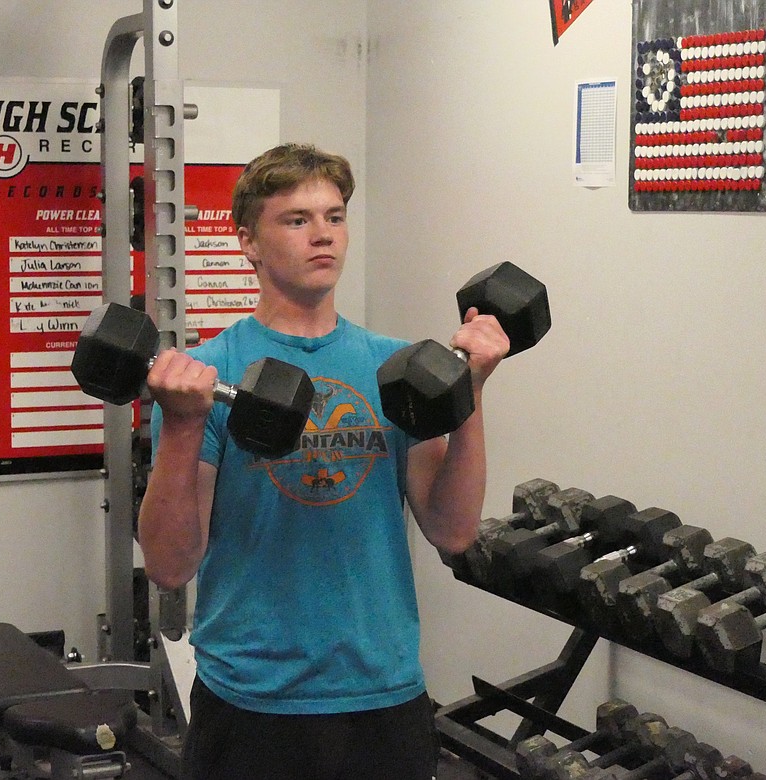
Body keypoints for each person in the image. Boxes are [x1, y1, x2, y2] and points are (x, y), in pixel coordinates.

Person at [137, 143, 509, 780]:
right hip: (251, 695)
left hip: (382, 691)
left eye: (335, 217)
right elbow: (171, 566)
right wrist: (181, 426)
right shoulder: (206, 376)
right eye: (296, 220)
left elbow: (453, 530)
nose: (323, 236)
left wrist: (471, 389)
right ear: (248, 243)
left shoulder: (394, 369)